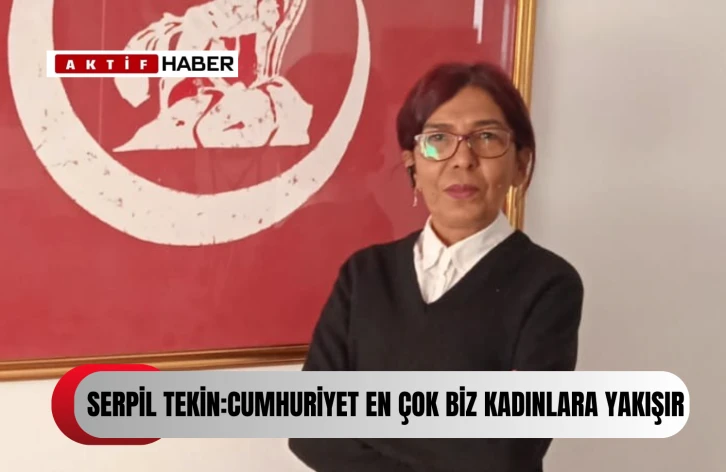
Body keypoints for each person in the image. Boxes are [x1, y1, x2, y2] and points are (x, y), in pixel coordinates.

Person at [288, 62, 584, 472]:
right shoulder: (365, 275)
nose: (462, 159)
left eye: (487, 137)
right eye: (438, 139)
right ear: (413, 164)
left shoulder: (548, 284)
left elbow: (507, 451)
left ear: (520, 163)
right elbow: (307, 431)